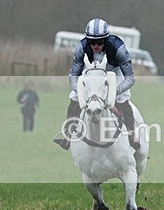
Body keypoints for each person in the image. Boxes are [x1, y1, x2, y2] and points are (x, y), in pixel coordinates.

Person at [53, 18, 140, 151]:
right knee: (74, 97)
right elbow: (73, 76)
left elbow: (130, 79)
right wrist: (81, 93)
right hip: (90, 72)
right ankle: (68, 134)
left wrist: (112, 93)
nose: (96, 45)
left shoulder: (119, 48)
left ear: (106, 39)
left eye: (100, 41)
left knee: (123, 98)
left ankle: (132, 133)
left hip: (113, 72)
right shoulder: (81, 48)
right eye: (92, 41)